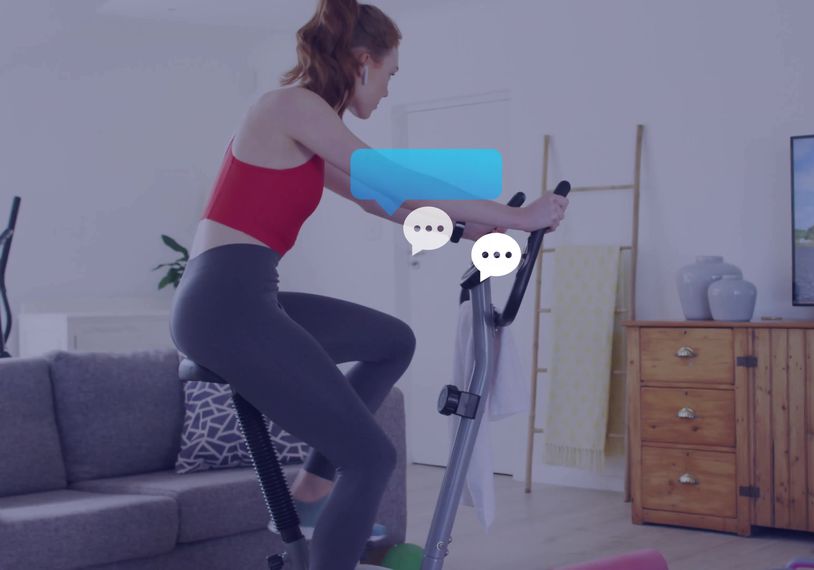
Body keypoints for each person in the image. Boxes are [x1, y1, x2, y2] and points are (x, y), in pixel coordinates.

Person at [168, 2, 568, 568]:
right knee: (371, 457)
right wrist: (518, 218)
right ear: (362, 61)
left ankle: (311, 490)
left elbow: (377, 197)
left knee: (392, 340)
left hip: (245, 295)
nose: (385, 92)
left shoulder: (309, 127)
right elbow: (392, 178)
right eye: (389, 75)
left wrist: (465, 227)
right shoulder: (292, 107)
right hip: (223, 305)